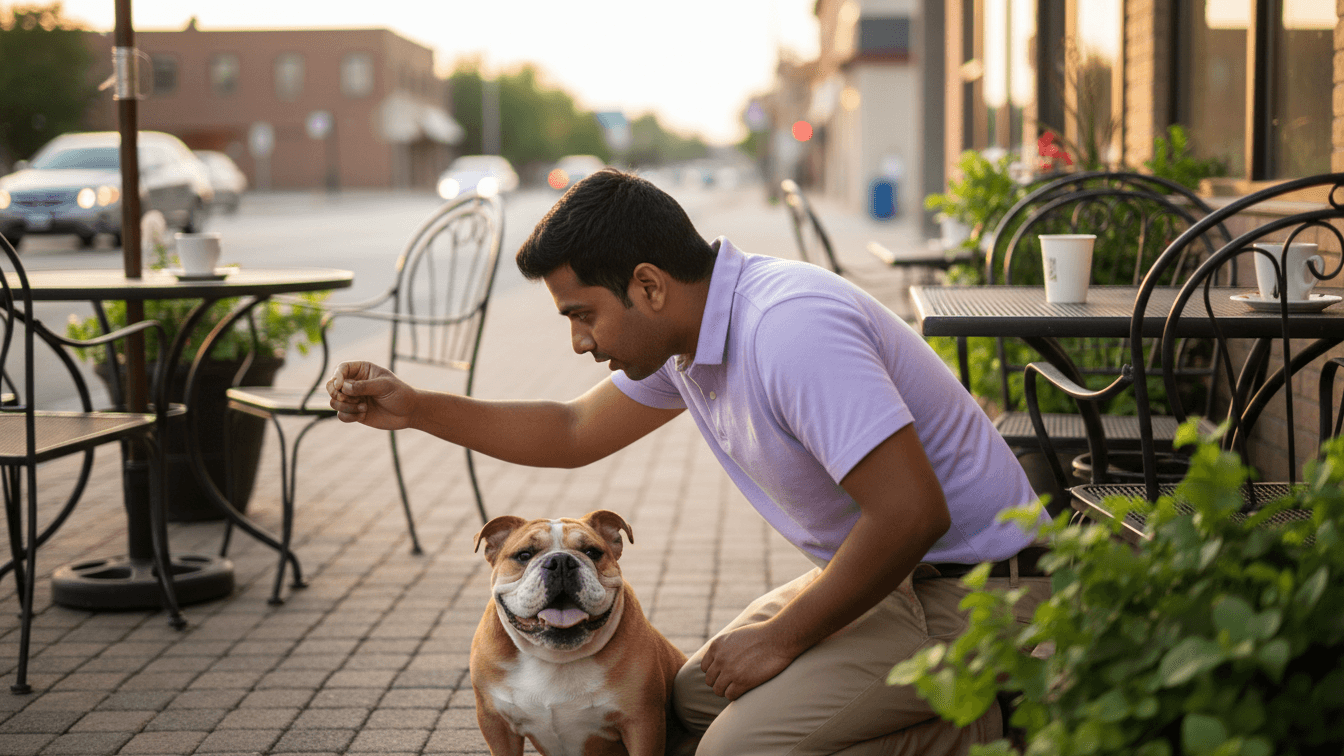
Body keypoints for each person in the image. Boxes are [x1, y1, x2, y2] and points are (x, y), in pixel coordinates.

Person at [326, 169, 1052, 755]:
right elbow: (573, 429)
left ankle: (993, 724)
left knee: (735, 749)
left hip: (981, 594)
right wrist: (417, 407)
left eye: (582, 315)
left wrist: (782, 639)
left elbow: (912, 513)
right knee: (686, 701)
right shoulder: (693, 333)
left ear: (647, 285)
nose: (579, 342)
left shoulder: (788, 331)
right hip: (895, 579)